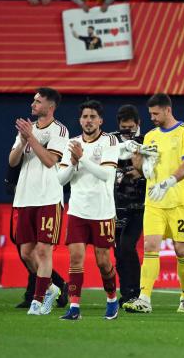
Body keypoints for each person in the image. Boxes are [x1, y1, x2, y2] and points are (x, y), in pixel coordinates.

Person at [122, 93, 184, 313]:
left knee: (181, 250)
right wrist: (135, 157)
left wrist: (168, 182)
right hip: (154, 200)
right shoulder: (150, 136)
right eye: (150, 114)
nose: (153, 117)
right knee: (150, 246)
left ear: (168, 110)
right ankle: (144, 299)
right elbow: (143, 171)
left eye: (156, 113)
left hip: (180, 201)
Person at [56, 100, 119, 320]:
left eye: (93, 117)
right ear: (80, 120)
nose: (89, 120)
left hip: (102, 210)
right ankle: (74, 308)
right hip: (78, 211)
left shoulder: (110, 140)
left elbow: (106, 175)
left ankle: (112, 299)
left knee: (103, 261)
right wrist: (73, 162)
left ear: (100, 120)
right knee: (75, 258)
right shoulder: (72, 143)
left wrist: (81, 158)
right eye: (85, 117)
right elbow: (61, 178)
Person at [9, 87, 69, 316]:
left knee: (44, 250)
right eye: (33, 101)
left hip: (48, 197)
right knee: (26, 253)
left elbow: (49, 160)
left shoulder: (59, 130)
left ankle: (37, 301)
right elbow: (13, 161)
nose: (33, 104)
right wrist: (23, 140)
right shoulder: (28, 129)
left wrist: (31, 138)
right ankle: (52, 288)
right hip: (25, 197)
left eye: (38, 101)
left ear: (50, 106)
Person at [110, 104, 146, 306]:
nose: (128, 132)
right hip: (115, 205)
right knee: (118, 250)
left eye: (131, 127)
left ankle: (134, 291)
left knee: (126, 246)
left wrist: (140, 173)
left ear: (138, 124)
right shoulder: (109, 140)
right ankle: (126, 292)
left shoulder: (148, 140)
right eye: (124, 128)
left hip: (139, 205)